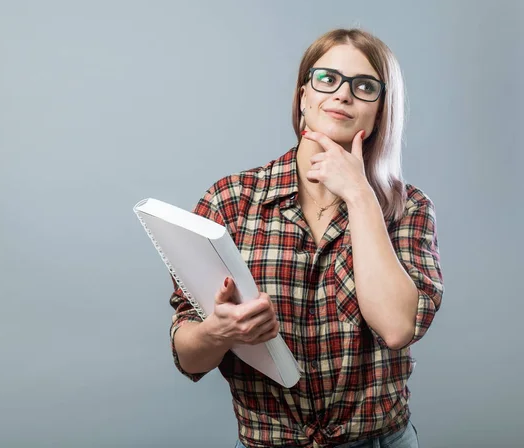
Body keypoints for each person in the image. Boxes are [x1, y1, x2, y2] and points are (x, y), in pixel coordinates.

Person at [168, 28, 444, 448]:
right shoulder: (231, 201)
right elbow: (187, 355)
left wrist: (359, 195)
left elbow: (396, 328)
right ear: (303, 97)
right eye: (327, 79)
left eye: (364, 86)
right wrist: (217, 333)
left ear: (381, 110)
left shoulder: (409, 209)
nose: (343, 95)